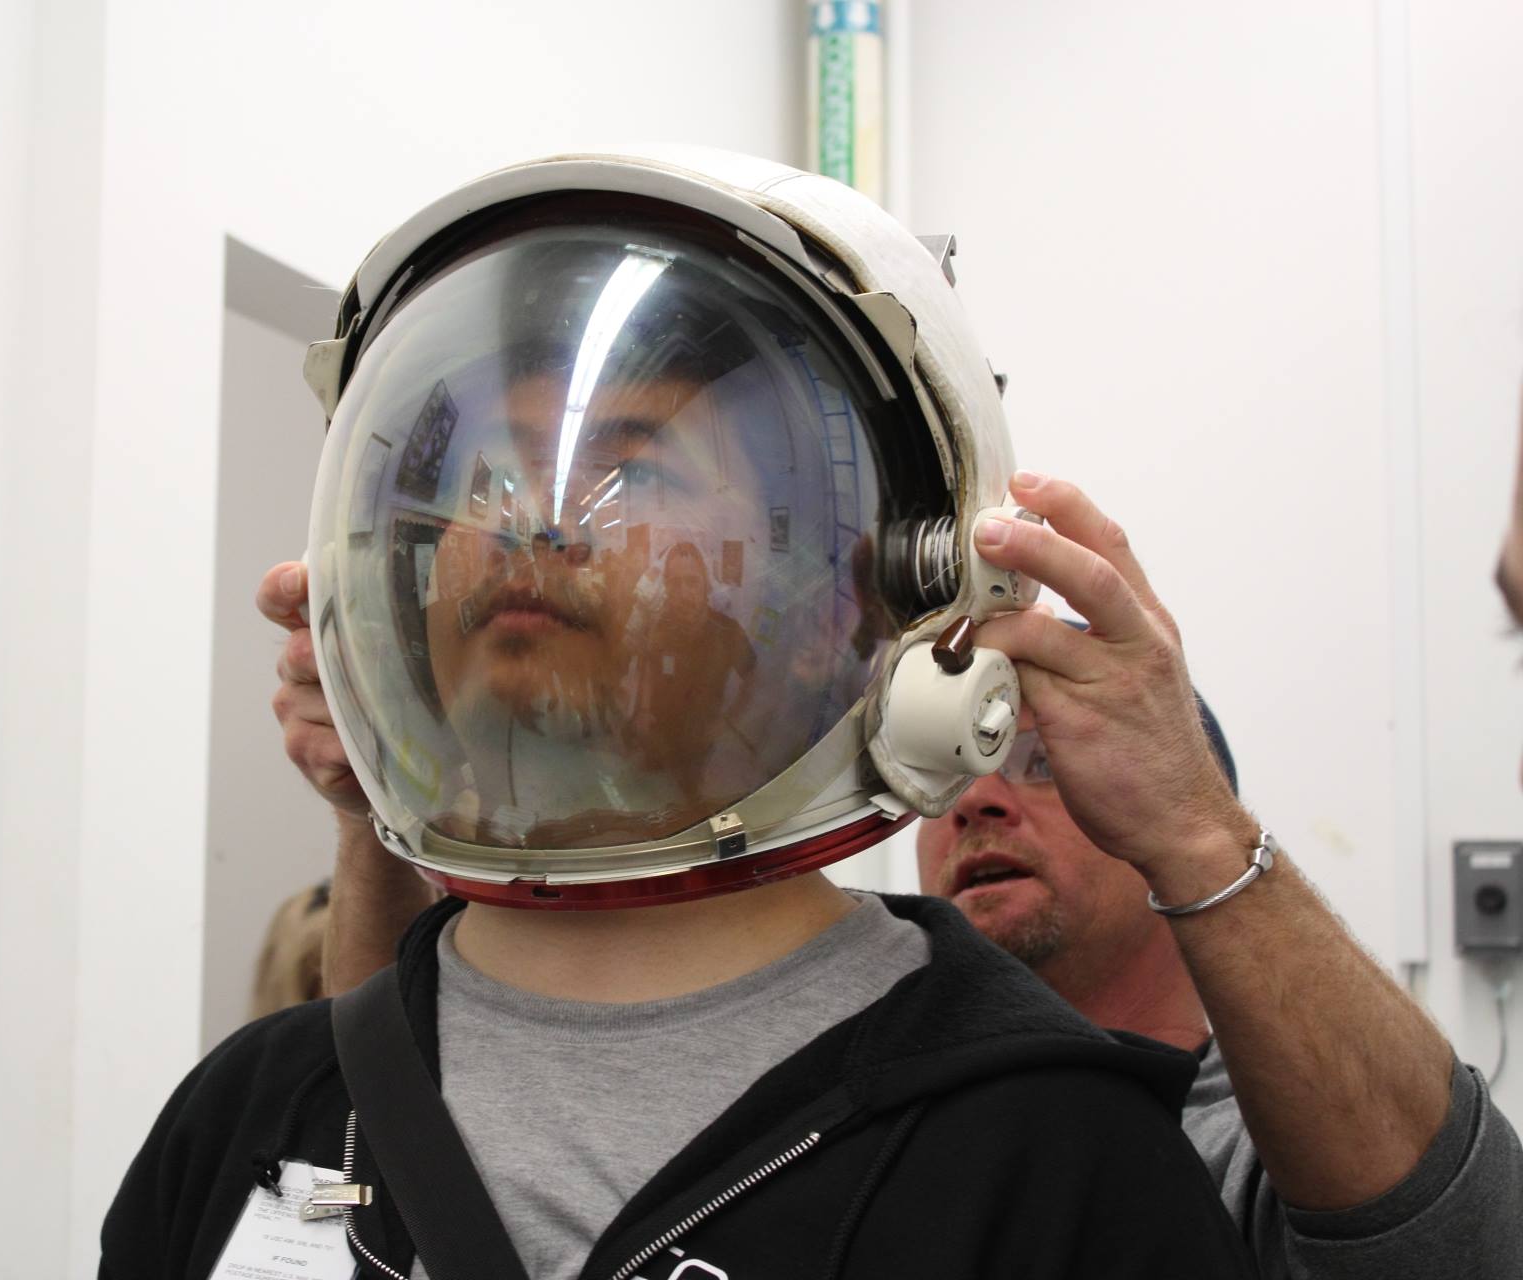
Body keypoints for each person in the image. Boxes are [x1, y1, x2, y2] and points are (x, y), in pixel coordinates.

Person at [104, 148, 1257, 1280]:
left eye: (632, 473)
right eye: (484, 483)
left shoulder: (1051, 1159)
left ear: (836, 610)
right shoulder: (250, 1111)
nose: (527, 527)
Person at [265, 463, 1523, 1279]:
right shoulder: (823, 1065)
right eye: (971, 759)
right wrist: (388, 797)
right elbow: (380, 1121)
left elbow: (1464, 1250)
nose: (982, 792)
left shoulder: (1200, 1147)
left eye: (1045, 762)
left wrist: (1198, 821)